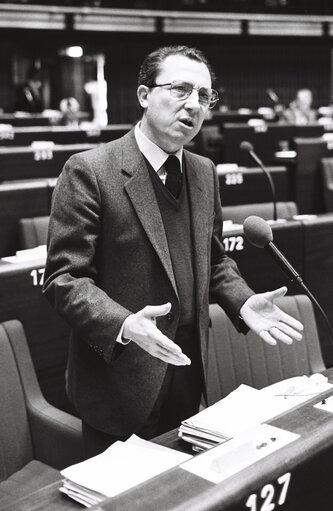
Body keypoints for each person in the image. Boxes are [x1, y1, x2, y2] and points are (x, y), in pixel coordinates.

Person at [42, 45, 303, 457]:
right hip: (120, 381)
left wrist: (242, 300)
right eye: (180, 89)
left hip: (186, 371)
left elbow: (214, 259)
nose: (194, 104)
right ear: (144, 95)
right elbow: (65, 278)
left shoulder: (203, 171)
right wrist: (124, 323)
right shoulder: (91, 170)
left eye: (204, 95)